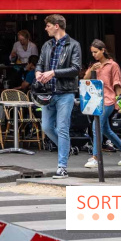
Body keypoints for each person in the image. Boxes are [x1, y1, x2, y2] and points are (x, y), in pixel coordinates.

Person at [36, 14, 82, 180]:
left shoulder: (74, 45)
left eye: (47, 25)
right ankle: (67, 148)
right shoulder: (47, 45)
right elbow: (40, 63)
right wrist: (38, 72)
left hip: (65, 93)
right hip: (48, 93)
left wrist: (54, 72)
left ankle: (62, 166)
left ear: (56, 25)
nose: (46, 28)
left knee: (62, 128)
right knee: (46, 127)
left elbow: (76, 69)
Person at [82, 39, 121, 168]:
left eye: (96, 52)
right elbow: (84, 80)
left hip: (108, 100)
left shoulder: (113, 65)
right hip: (96, 100)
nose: (94, 55)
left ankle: (95, 157)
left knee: (97, 127)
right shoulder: (94, 65)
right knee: (105, 129)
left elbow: (117, 84)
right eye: (92, 52)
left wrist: (119, 103)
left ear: (103, 51)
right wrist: (91, 70)